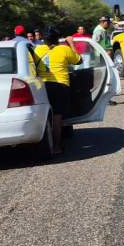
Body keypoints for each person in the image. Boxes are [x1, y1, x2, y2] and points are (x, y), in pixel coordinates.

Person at [34, 26, 82, 154]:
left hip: (41, 86)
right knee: (57, 117)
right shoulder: (64, 49)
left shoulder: (37, 49)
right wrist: (71, 43)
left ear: (43, 39)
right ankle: (56, 147)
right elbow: (79, 60)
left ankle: (44, 144)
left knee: (45, 115)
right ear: (57, 38)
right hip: (61, 85)